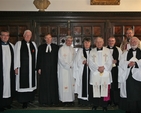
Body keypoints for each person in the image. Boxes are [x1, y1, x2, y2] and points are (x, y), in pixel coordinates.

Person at [14, 30, 37, 109]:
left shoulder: (33, 44)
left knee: (30, 84)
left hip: (31, 69)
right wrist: (16, 67)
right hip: (22, 69)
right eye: (26, 35)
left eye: (29, 35)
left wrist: (36, 67)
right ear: (23, 36)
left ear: (31, 36)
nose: (28, 36)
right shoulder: (19, 44)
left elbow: (36, 57)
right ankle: (23, 101)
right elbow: (16, 56)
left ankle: (29, 99)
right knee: (23, 83)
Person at [88, 37, 112, 111]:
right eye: (97, 42)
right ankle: (95, 104)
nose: (99, 43)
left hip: (105, 72)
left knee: (104, 88)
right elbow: (90, 61)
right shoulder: (92, 51)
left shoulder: (107, 51)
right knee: (96, 89)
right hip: (95, 73)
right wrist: (97, 68)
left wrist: (104, 67)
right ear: (95, 43)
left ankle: (104, 105)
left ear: (103, 42)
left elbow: (110, 61)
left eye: (100, 42)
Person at [118, 37, 141, 113]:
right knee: (130, 92)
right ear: (129, 43)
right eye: (132, 41)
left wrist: (136, 63)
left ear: (138, 42)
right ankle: (130, 109)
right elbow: (121, 62)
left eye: (135, 41)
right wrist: (128, 63)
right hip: (129, 76)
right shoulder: (125, 53)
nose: (133, 42)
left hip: (139, 76)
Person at [37, 33, 59, 106]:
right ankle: (44, 100)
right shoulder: (41, 47)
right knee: (44, 84)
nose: (49, 39)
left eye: (50, 37)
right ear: (45, 39)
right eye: (47, 38)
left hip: (53, 69)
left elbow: (59, 59)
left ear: (51, 38)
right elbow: (39, 58)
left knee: (53, 84)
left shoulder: (56, 47)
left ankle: (53, 100)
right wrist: (39, 68)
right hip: (44, 69)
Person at [73, 37, 92, 106]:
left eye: (88, 43)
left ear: (90, 44)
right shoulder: (80, 51)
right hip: (82, 71)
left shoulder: (93, 51)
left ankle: (90, 99)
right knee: (82, 85)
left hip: (90, 71)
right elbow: (76, 62)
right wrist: (82, 62)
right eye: (85, 43)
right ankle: (82, 101)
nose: (87, 44)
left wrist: (89, 63)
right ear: (83, 44)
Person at [58, 36, 76, 106]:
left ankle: (71, 100)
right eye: (68, 41)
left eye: (71, 41)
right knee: (64, 84)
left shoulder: (73, 49)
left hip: (71, 69)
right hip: (63, 70)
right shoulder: (61, 49)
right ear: (65, 41)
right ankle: (63, 100)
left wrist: (71, 65)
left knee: (71, 84)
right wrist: (67, 66)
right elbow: (60, 59)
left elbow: (75, 58)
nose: (69, 42)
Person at [0, 30, 15, 112]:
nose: (5, 37)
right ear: (0, 36)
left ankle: (7, 103)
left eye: (7, 35)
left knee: (8, 87)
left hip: (9, 71)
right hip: (1, 71)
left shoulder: (11, 46)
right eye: (3, 35)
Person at [107, 36, 122, 106]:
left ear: (115, 42)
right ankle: (108, 100)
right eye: (110, 41)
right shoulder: (105, 49)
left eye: (112, 41)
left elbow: (122, 60)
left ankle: (116, 101)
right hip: (107, 70)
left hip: (115, 69)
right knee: (108, 85)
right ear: (108, 42)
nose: (111, 42)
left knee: (115, 85)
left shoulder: (118, 50)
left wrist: (117, 61)